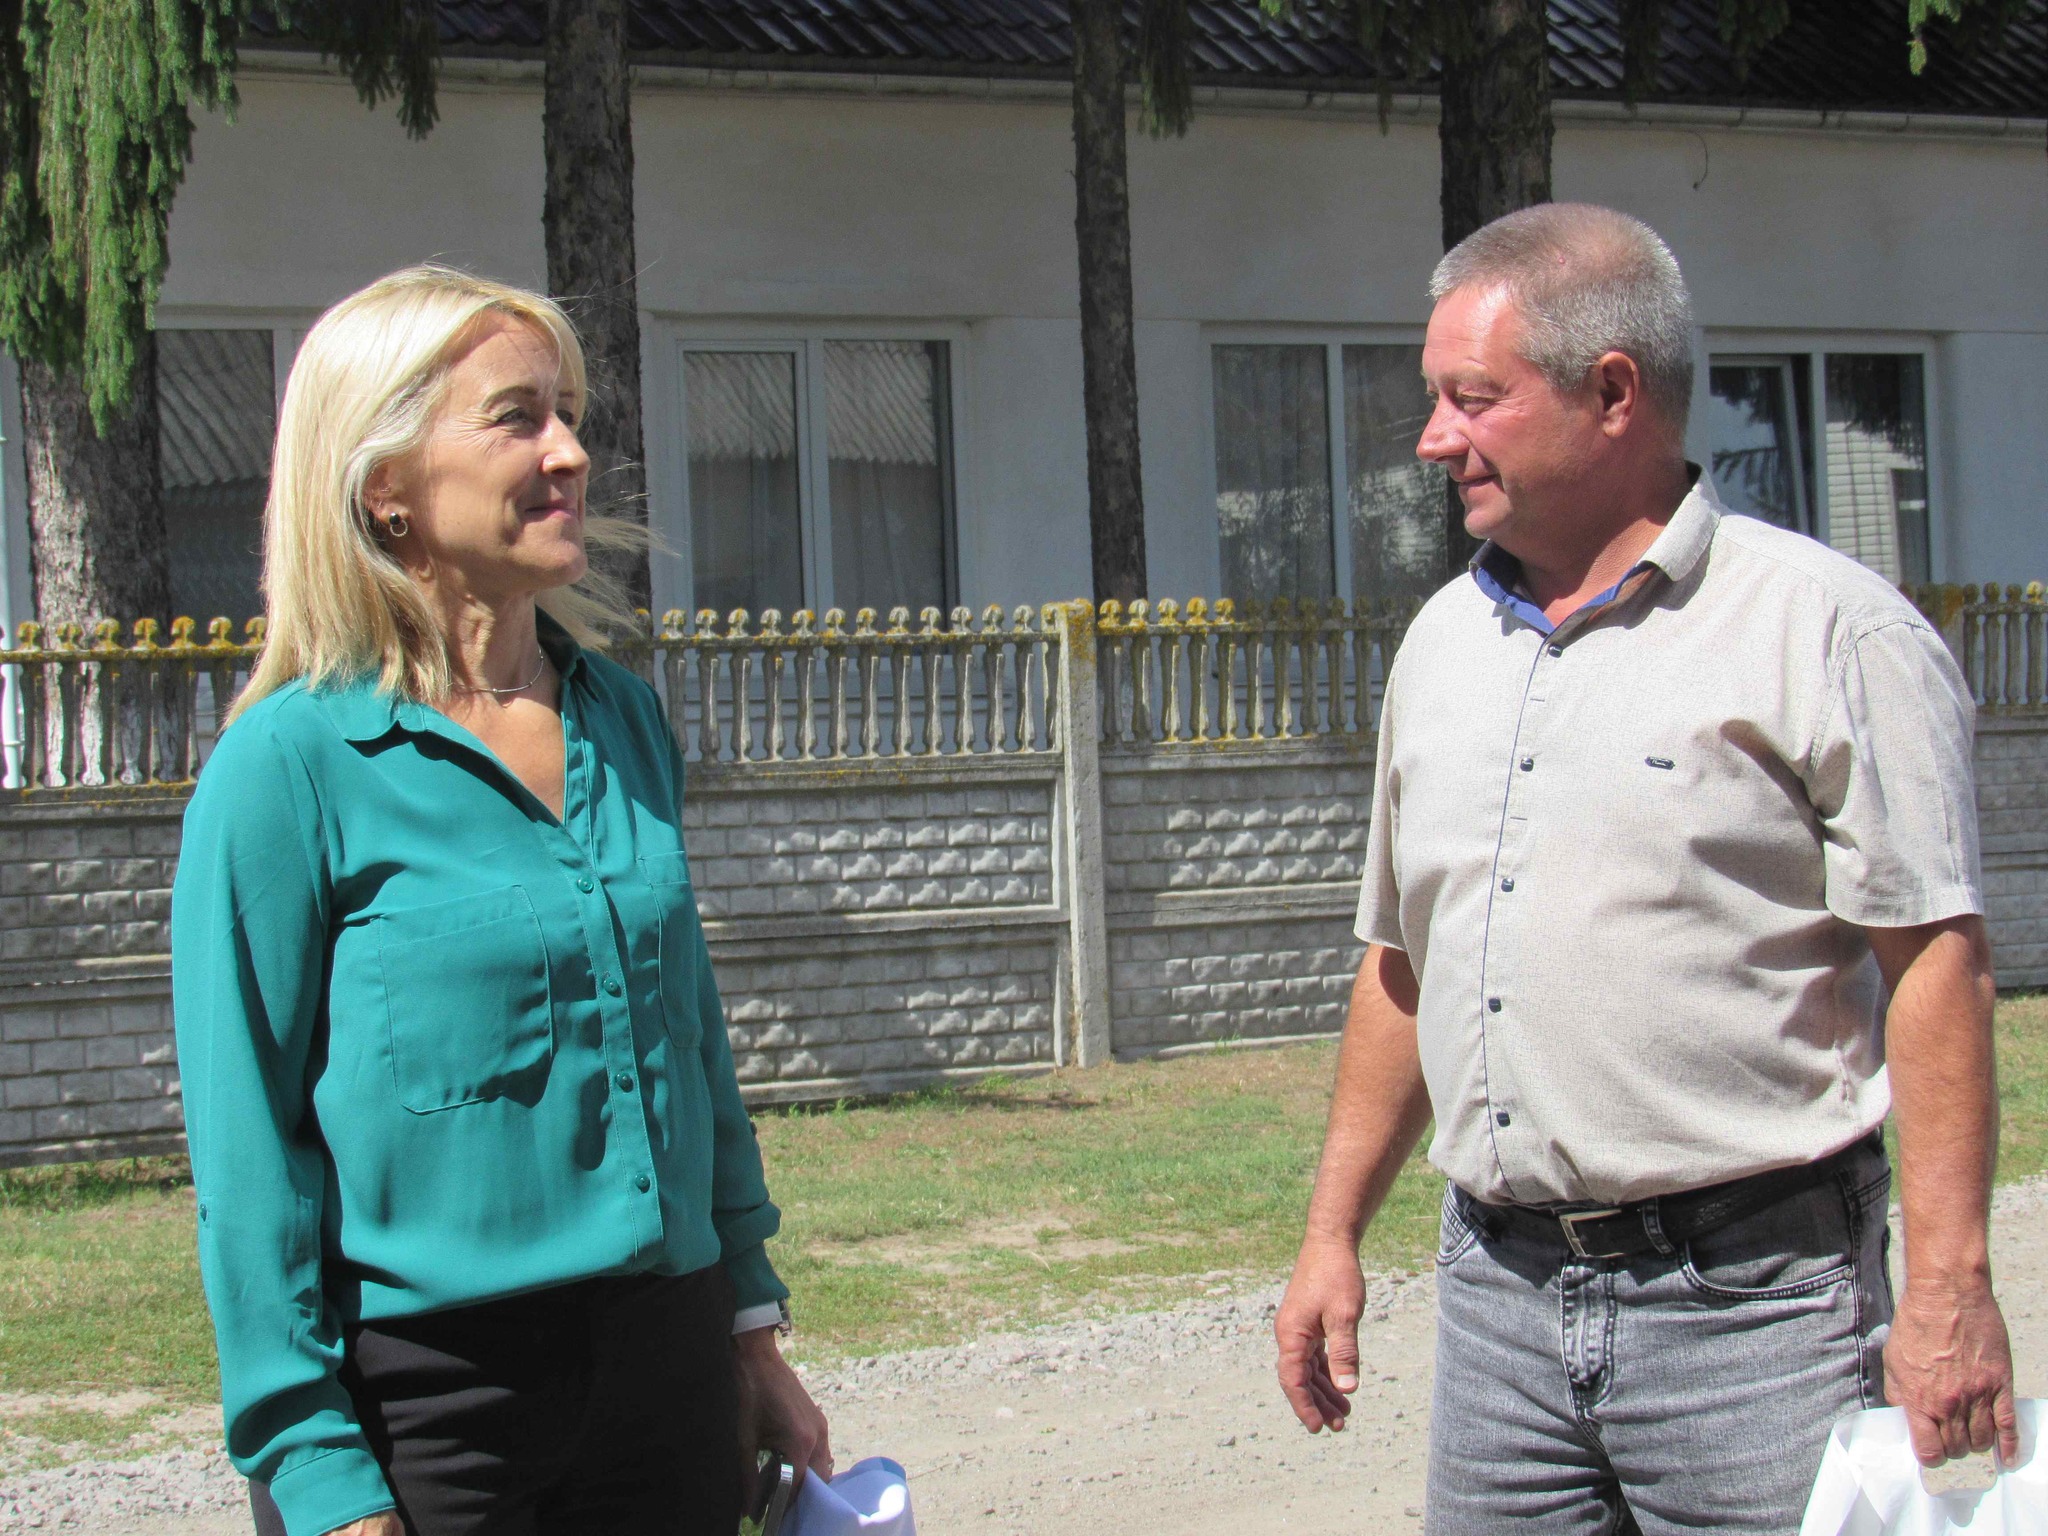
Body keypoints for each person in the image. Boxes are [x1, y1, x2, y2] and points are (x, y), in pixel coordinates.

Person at [1273, 204, 2017, 1534]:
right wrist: (1332, 1233)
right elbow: (1402, 962)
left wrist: (1949, 1289)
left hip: (1755, 1313)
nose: (1434, 438)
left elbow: (1935, 968)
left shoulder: (1827, 633)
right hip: (1497, 1305)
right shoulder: (1440, 646)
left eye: (1472, 399)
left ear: (1611, 394)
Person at [170, 265, 831, 1536]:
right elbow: (248, 1154)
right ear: (386, 484)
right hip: (428, 1411)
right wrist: (311, 1462)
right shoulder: (286, 770)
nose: (568, 452)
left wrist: (747, 1331)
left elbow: (690, 1044)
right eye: (517, 418)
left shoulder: (620, 719)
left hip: (668, 1375)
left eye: (567, 414)